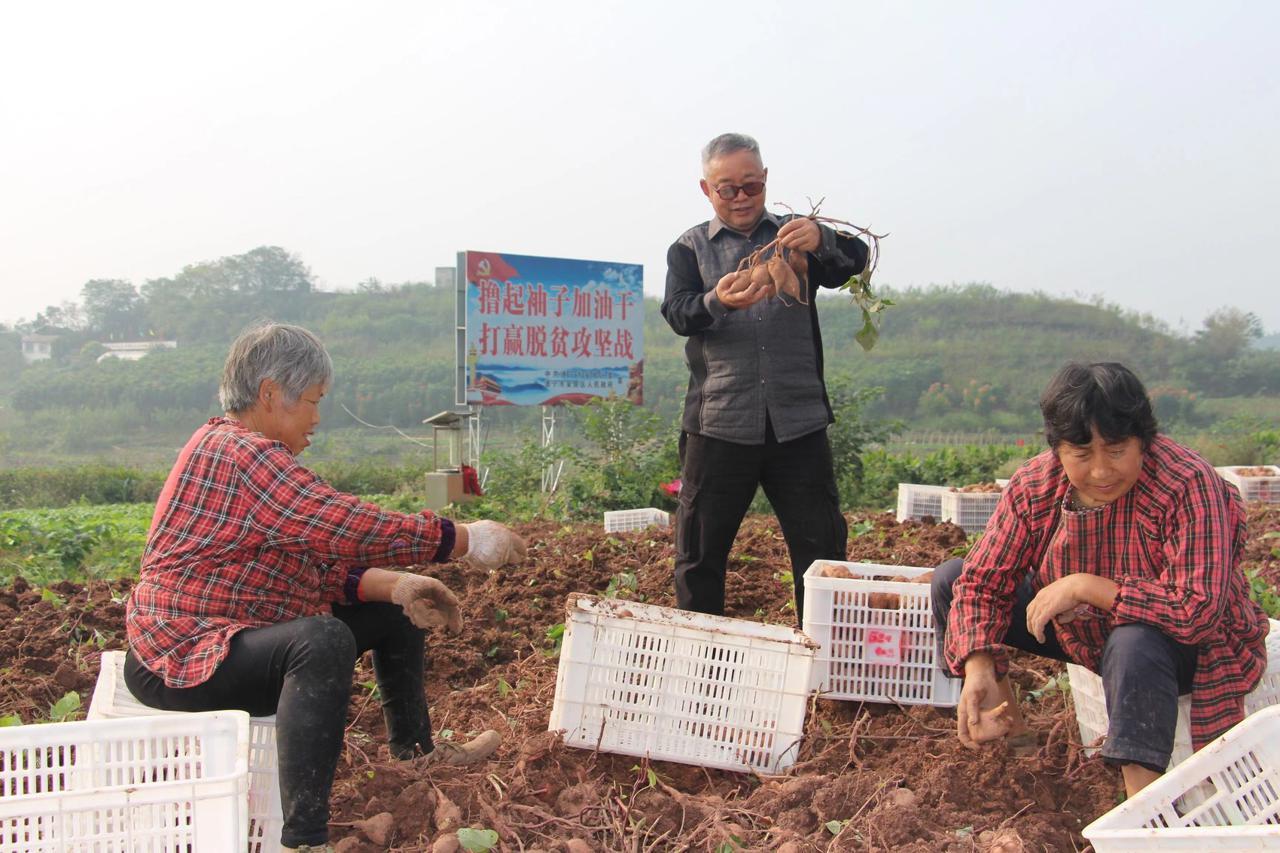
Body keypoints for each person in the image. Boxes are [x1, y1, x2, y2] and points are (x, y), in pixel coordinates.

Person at [124, 323, 527, 853]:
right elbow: (339, 523)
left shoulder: (240, 451)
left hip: (232, 638)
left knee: (391, 613)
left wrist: (399, 585)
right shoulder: (240, 453)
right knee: (323, 638)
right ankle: (304, 839)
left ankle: (415, 753)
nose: (316, 418)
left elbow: (307, 564)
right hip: (182, 657)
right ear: (270, 394)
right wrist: (458, 539)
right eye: (312, 402)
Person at [933, 361, 1268, 797]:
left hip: (1188, 647)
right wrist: (977, 663)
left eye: (1115, 451)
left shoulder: (1186, 482)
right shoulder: (1037, 484)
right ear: (1058, 449)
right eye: (1082, 455)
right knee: (952, 578)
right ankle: (1015, 744)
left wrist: (1083, 586)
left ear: (1143, 441)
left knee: (1133, 639)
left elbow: (1196, 611)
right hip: (1086, 633)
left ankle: (1141, 809)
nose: (1101, 472)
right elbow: (983, 585)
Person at [660, 132, 868, 623]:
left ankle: (827, 660)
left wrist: (824, 239)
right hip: (719, 424)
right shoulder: (689, 249)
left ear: (765, 181)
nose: (739, 198)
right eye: (726, 188)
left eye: (750, 186)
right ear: (706, 189)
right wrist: (718, 301)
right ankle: (702, 661)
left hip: (798, 423)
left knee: (821, 551)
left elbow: (854, 263)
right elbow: (677, 312)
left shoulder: (794, 238)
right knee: (700, 555)